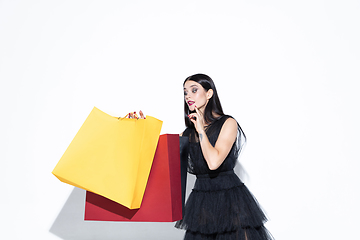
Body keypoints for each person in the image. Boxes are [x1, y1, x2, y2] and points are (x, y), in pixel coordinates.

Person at [175, 74, 274, 240]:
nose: (188, 96)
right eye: (185, 92)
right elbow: (158, 156)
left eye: (194, 90)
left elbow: (214, 162)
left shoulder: (228, 123)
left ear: (209, 94)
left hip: (230, 199)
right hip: (202, 200)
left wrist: (200, 131)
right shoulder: (186, 133)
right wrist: (138, 126)